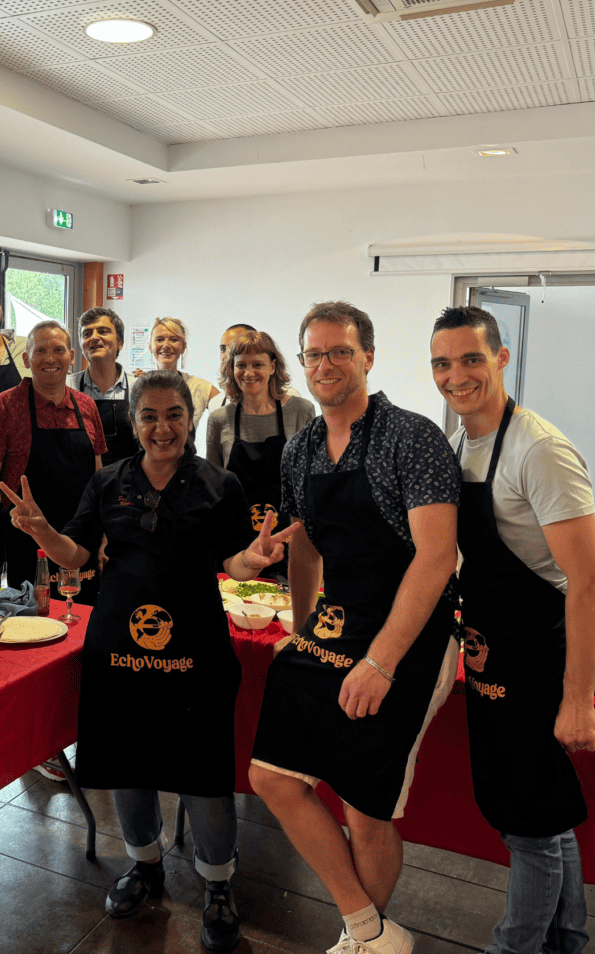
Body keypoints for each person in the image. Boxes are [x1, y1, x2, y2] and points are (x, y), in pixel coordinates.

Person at [0, 369, 294, 953]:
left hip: (197, 647)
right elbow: (77, 554)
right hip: (118, 647)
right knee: (127, 765)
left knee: (204, 775)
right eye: (149, 416)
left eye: (174, 415)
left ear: (189, 419)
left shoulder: (219, 484)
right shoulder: (108, 483)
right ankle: (145, 866)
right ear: (133, 423)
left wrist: (254, 559)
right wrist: (42, 532)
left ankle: (216, 884)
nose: (163, 427)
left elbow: (232, 563)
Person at [248, 301, 461, 954]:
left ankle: (361, 937)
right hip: (332, 628)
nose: (327, 364)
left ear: (368, 356)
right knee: (271, 777)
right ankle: (369, 928)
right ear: (302, 363)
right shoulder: (301, 447)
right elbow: (306, 543)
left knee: (365, 813)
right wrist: (299, 618)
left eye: (341, 351)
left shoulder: (412, 436)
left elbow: (437, 555)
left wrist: (382, 661)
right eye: (315, 353)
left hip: (409, 636)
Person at [430, 305, 595, 954]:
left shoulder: (539, 449)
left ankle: (517, 946)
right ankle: (568, 939)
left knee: (529, 826)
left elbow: (588, 581)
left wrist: (578, 698)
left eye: (471, 359)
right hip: (491, 649)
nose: (456, 376)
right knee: (538, 811)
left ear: (502, 358)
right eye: (443, 364)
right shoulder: (458, 447)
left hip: (539, 654)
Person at [0, 321, 106, 600]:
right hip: (26, 540)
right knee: (33, 622)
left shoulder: (87, 406)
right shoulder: (4, 407)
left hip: (82, 538)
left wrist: (105, 537)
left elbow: (100, 479)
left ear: (72, 356)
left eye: (58, 350)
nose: (50, 359)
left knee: (84, 619)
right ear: (27, 359)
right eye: (40, 351)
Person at [205, 331, 314, 577]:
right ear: (231, 369)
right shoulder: (220, 419)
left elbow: (310, 483)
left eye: (258, 364)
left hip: (287, 537)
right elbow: (212, 488)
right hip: (236, 540)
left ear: (273, 366)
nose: (248, 372)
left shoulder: (301, 411)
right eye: (241, 365)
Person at [68, 306, 136, 467]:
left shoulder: (139, 389)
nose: (94, 337)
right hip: (82, 485)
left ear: (120, 343)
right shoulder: (66, 387)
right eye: (87, 333)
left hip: (129, 484)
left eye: (103, 331)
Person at [133, 317, 217, 429]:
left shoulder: (198, 386)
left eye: (174, 340)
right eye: (159, 339)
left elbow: (229, 410)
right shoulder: (138, 383)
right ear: (150, 347)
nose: (166, 345)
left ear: (183, 347)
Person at [206, 323, 256, 415]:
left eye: (233, 347)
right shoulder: (216, 404)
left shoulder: (286, 400)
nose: (226, 355)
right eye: (223, 349)